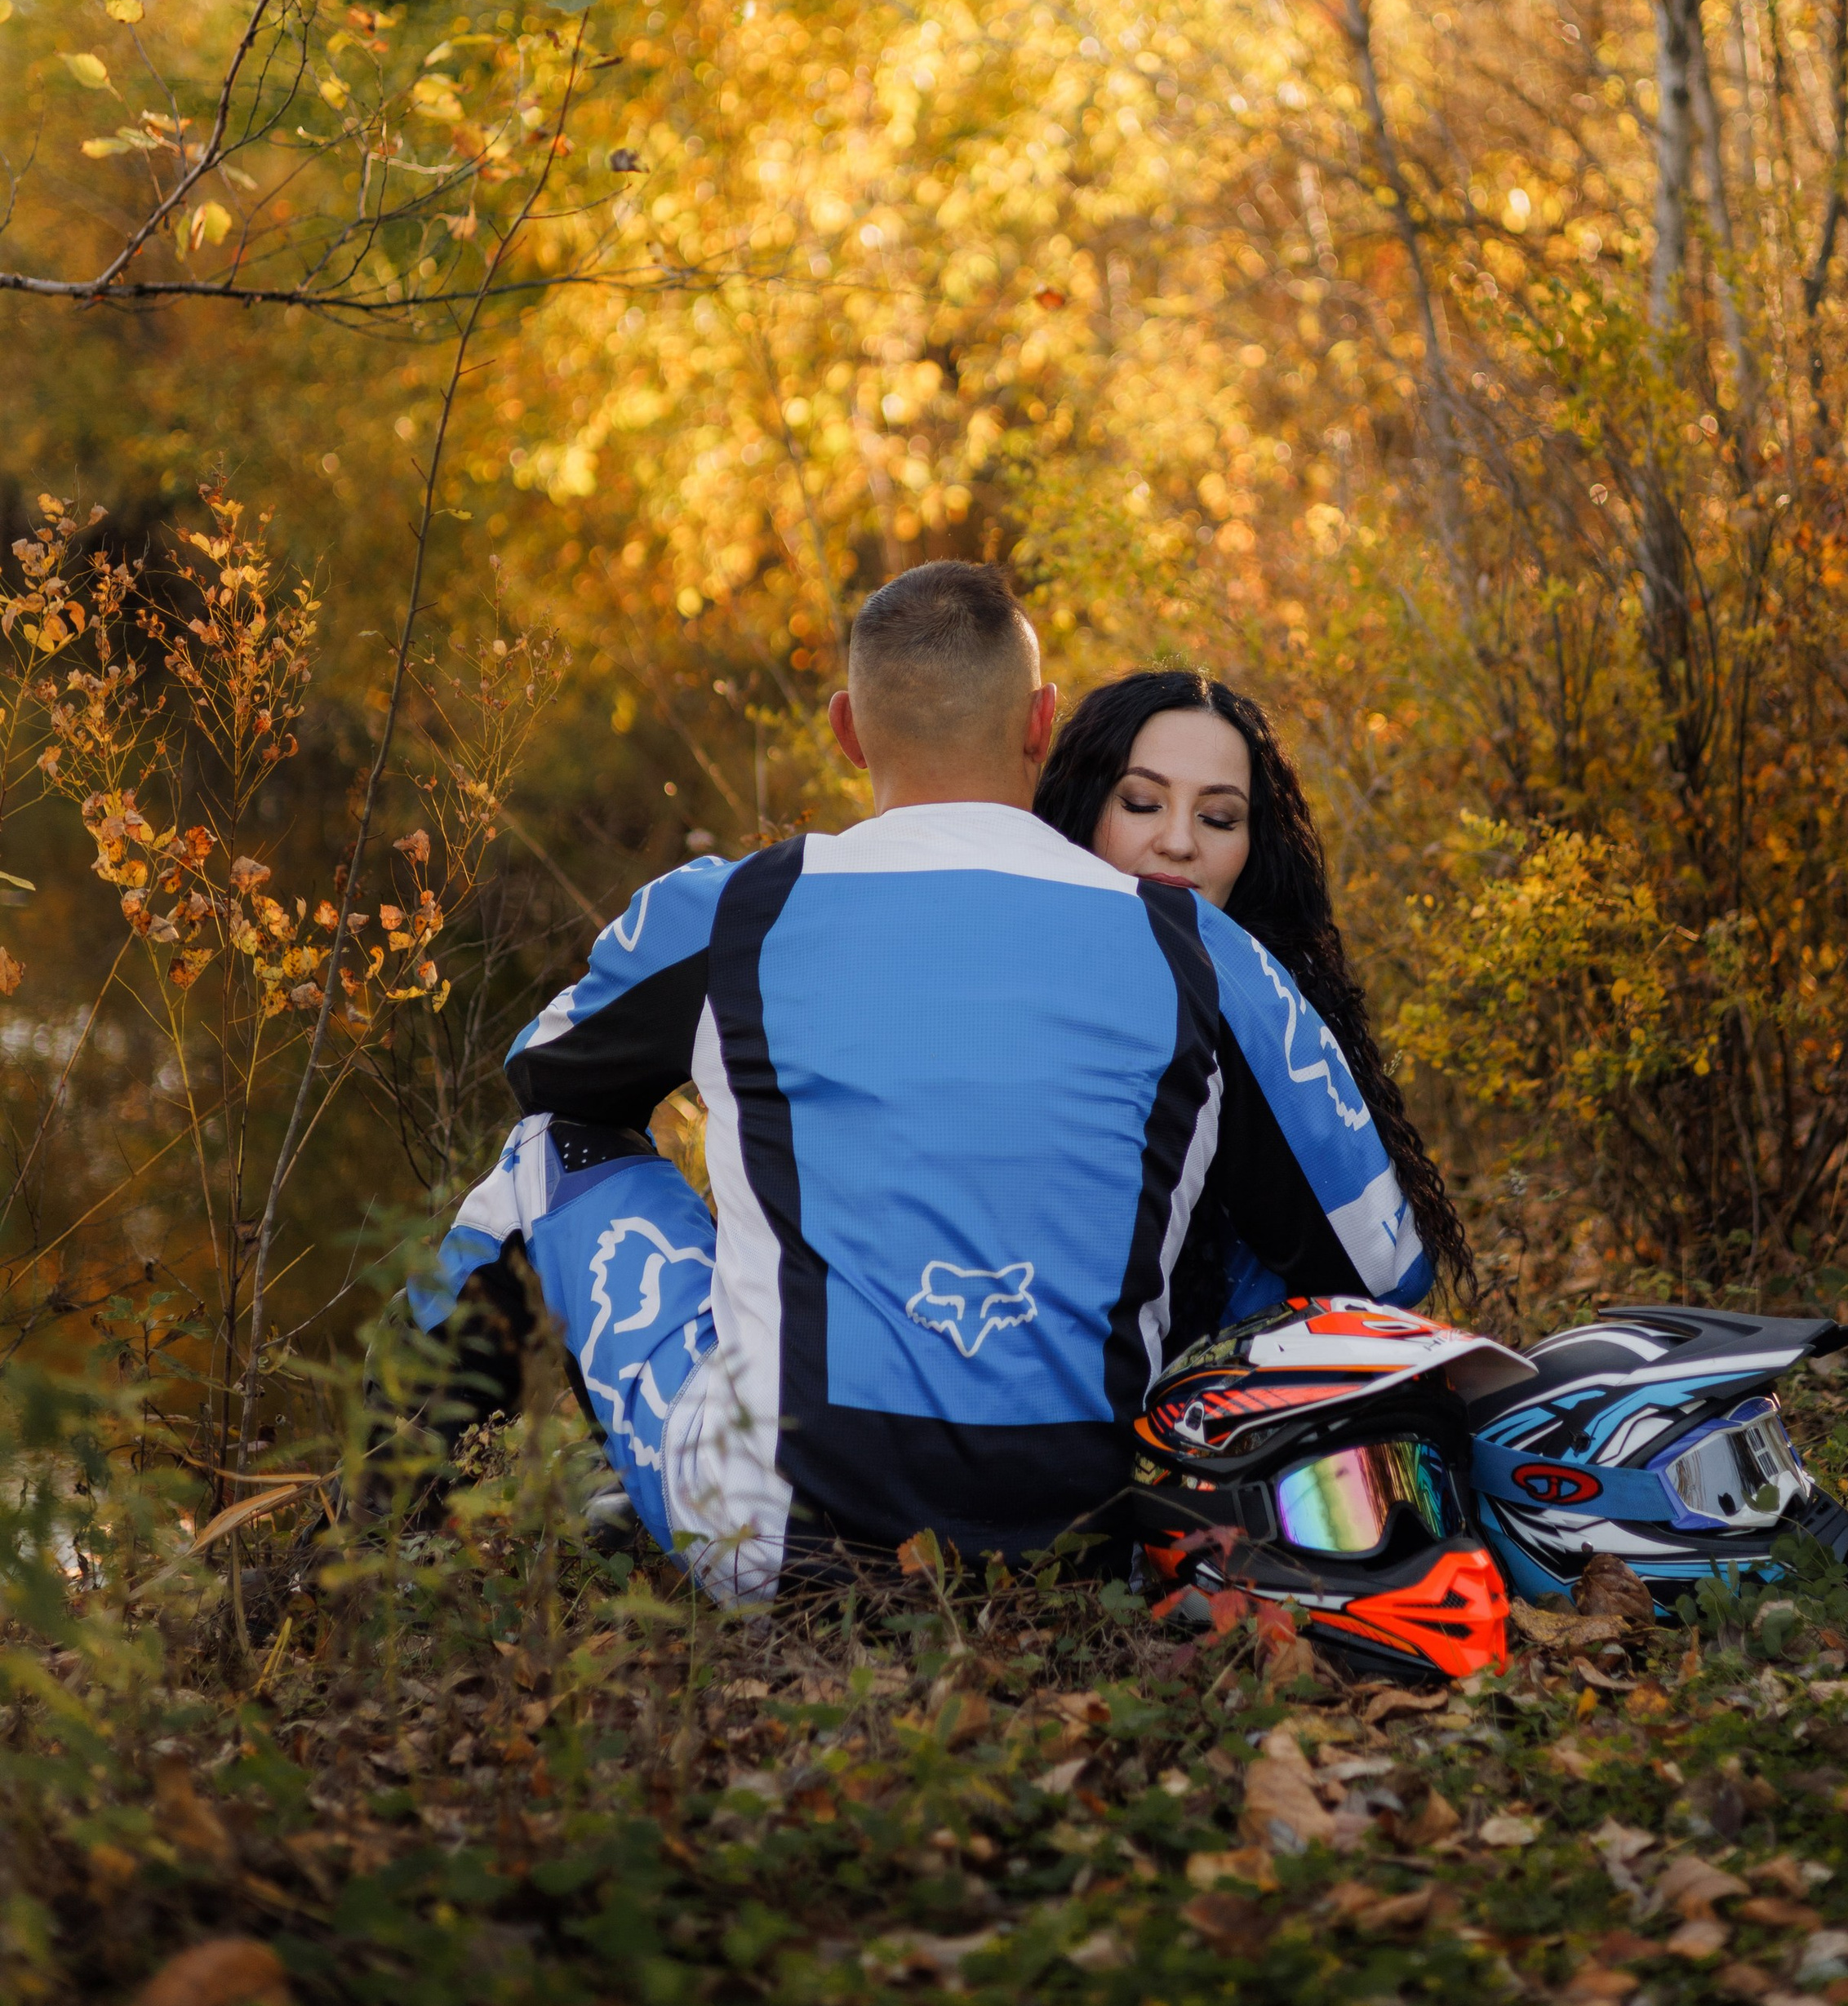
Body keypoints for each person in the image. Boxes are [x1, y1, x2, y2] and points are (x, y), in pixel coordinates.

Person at [409, 566, 1433, 1600]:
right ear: (1041, 724)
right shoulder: (1204, 952)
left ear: (848, 730)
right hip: (1094, 1540)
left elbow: (550, 1075)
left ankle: (382, 1538)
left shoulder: (730, 912)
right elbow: (1382, 1268)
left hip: (780, 1544)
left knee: (550, 1149)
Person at [1032, 668, 1471, 1329]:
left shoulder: (1252, 1000)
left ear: (1252, 844)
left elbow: (1376, 1277)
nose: (1179, 841)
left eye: (1218, 817)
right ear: (1083, 810)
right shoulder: (1009, 984)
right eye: (1141, 803)